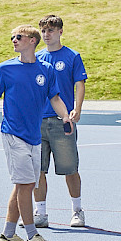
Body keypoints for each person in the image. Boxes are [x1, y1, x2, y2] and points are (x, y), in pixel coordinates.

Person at [0, 25, 73, 241]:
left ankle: (8, 234)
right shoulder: (5, 69)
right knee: (26, 184)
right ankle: (32, 235)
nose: (14, 40)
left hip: (34, 136)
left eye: (18, 37)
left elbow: (55, 98)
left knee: (24, 185)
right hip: (13, 134)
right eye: (12, 37)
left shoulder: (47, 69)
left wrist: (66, 116)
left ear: (32, 40)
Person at [33, 14, 89, 228]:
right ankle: (41, 212)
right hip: (38, 121)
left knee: (70, 169)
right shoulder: (36, 57)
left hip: (61, 121)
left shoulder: (72, 56)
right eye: (43, 31)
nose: (46, 35)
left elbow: (80, 84)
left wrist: (78, 108)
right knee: (38, 170)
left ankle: (77, 210)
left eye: (50, 31)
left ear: (60, 32)